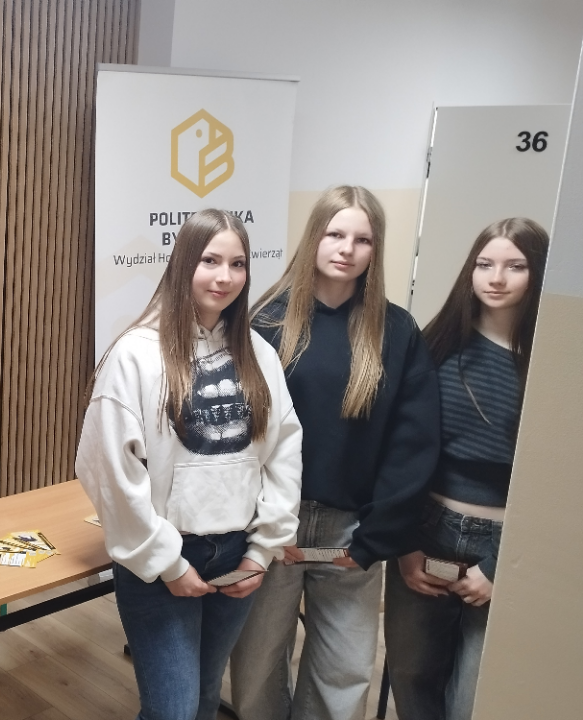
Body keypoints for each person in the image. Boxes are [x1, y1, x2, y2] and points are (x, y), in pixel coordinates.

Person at [76, 209, 303, 720]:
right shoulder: (135, 355)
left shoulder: (258, 354)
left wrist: (262, 551)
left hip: (237, 554)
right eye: (210, 261)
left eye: (238, 264)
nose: (225, 277)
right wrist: (168, 563)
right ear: (183, 264)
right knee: (172, 710)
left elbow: (284, 454)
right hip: (163, 560)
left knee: (202, 699)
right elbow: (107, 469)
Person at [229, 186, 440, 720]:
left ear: (376, 249)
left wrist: (375, 537)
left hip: (351, 531)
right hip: (273, 524)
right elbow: (240, 436)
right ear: (314, 238)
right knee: (256, 666)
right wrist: (261, 528)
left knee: (344, 672)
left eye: (362, 239)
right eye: (335, 234)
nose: (347, 249)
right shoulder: (266, 323)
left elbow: (412, 444)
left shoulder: (397, 331)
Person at [383, 218, 548, 720]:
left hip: (506, 542)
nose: (496, 278)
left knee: (472, 697)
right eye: (484, 264)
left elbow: (552, 483)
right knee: (411, 676)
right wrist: (405, 546)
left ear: (537, 272)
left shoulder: (552, 363)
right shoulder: (434, 346)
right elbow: (401, 454)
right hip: (427, 530)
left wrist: (497, 567)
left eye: (515, 266)